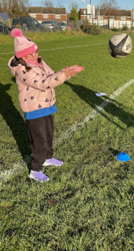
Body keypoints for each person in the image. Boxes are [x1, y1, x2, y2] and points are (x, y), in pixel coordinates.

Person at [8, 28, 84, 182]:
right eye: (31, 53)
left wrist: (66, 71)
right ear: (22, 56)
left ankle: (48, 158)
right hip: (34, 110)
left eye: (36, 51)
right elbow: (43, 83)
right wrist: (65, 75)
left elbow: (51, 75)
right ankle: (35, 170)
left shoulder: (39, 61)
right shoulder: (23, 70)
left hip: (46, 106)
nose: (35, 55)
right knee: (39, 141)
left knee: (48, 135)